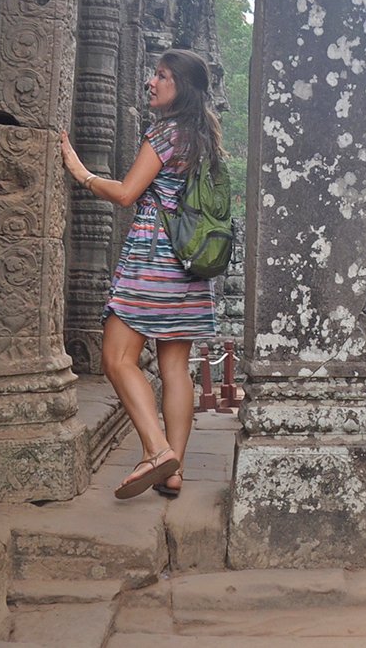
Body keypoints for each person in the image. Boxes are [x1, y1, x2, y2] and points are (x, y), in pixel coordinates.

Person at [60, 48, 227, 499]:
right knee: (175, 367)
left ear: (182, 88)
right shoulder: (203, 137)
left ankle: (156, 451)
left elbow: (128, 192)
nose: (152, 82)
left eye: (162, 75)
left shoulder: (166, 135)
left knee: (117, 358)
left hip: (153, 261)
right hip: (189, 268)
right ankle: (174, 471)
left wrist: (82, 173)